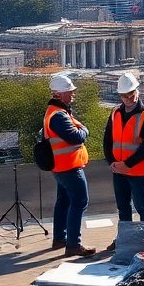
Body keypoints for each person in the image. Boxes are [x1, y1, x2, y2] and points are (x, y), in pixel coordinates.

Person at [44, 72, 96, 257]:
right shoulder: (59, 116)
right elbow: (75, 137)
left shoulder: (56, 112)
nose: (72, 94)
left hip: (62, 166)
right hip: (69, 167)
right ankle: (73, 244)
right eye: (69, 92)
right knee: (80, 201)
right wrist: (84, 130)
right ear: (59, 94)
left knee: (64, 201)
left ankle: (60, 238)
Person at [103, 72, 144, 232]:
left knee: (142, 207)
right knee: (123, 208)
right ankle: (125, 240)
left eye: (131, 95)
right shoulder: (115, 113)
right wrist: (112, 162)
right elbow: (107, 141)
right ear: (120, 96)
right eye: (124, 96)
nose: (128, 99)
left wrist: (127, 164)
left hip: (137, 171)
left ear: (137, 92)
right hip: (118, 170)